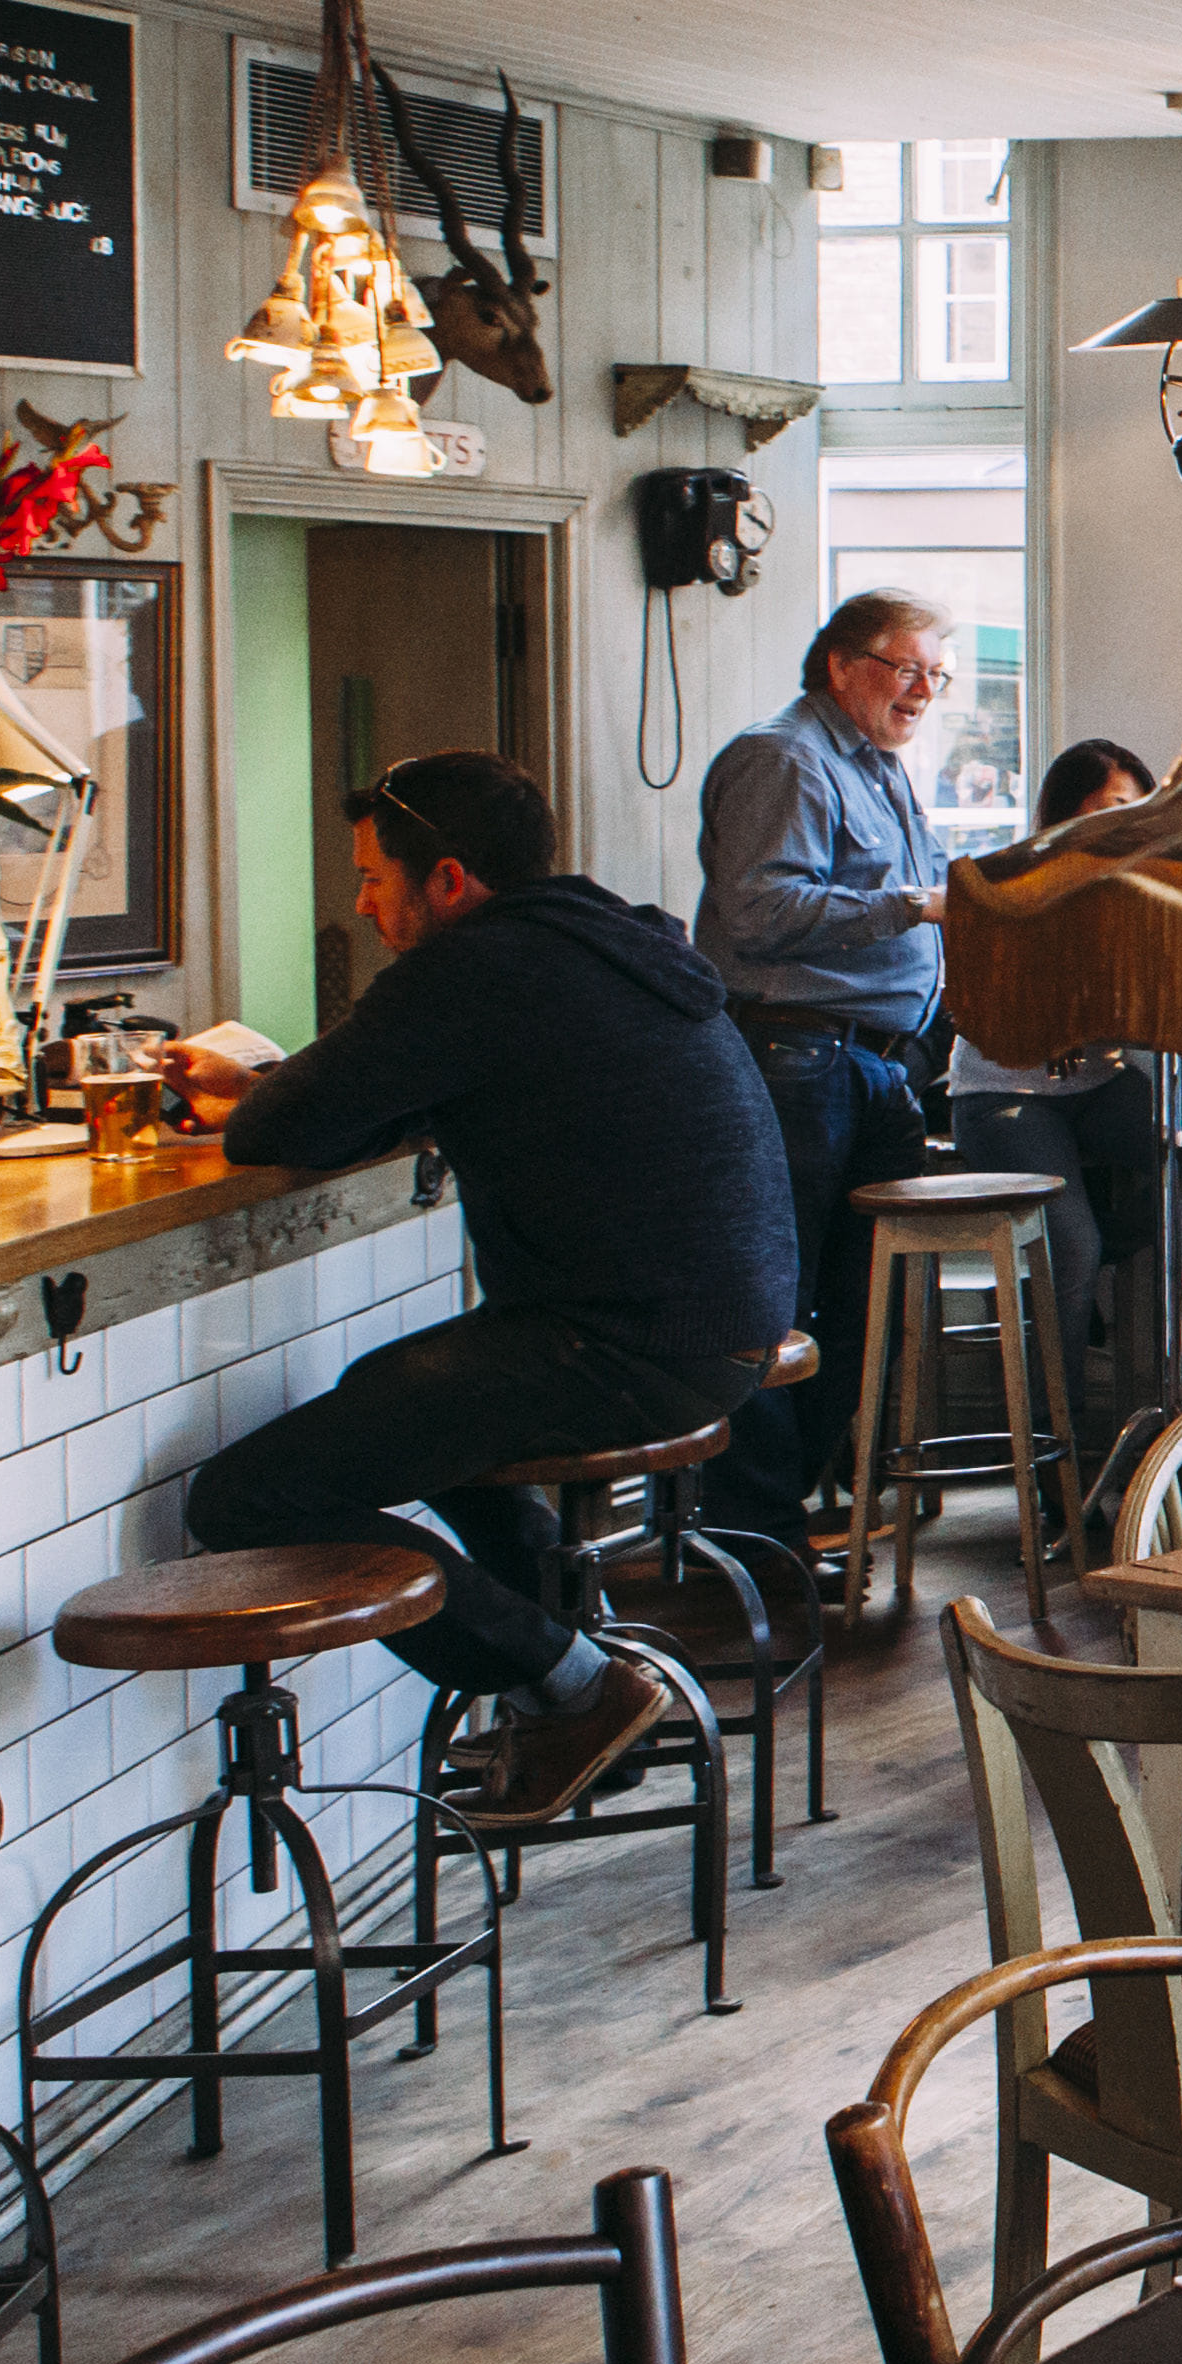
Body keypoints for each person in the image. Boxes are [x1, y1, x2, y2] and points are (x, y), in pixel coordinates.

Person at [160, 754, 792, 1816]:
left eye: (372, 878)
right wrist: (273, 1084)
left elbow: (283, 1129)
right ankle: (573, 1687)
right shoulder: (598, 938)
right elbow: (383, 1094)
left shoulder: (476, 970)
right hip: (710, 1332)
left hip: (633, 1347)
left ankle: (577, 1687)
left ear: (446, 880)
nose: (361, 905)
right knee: (398, 1389)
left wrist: (256, 1095)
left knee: (246, 1496)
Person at [692, 589, 952, 1540]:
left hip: (875, 1064)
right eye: (905, 667)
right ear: (842, 665)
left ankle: (793, 1502)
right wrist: (912, 908)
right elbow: (761, 911)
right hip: (793, 1056)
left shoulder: (877, 768)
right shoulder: (784, 759)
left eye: (936, 674)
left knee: (861, 1302)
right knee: (780, 1298)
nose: (923, 690)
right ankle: (753, 1523)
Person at [945, 738, 1164, 1388]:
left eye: (1136, 808)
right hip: (1001, 1094)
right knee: (1070, 1247)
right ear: (1065, 812)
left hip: (1097, 1087)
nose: (1125, 821)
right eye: (1112, 806)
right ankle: (1051, 1451)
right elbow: (973, 1007)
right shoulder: (1009, 880)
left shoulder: (1134, 891)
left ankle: (1101, 1254)